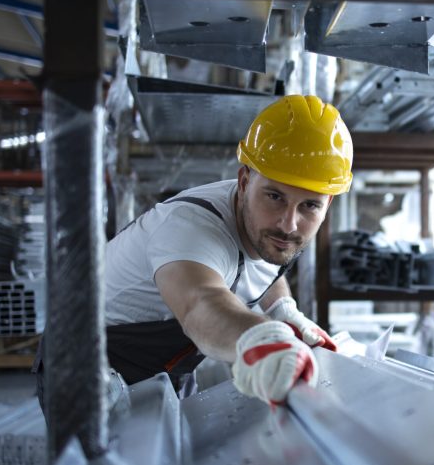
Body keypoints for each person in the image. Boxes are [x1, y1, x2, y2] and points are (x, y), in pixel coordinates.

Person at [100, 94, 353, 404]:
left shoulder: (266, 227)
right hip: (96, 370)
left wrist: (283, 310)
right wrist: (261, 337)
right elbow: (199, 304)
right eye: (275, 197)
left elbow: (267, 264)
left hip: (167, 369)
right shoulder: (190, 229)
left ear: (328, 204)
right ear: (244, 181)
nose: (289, 224)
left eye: (310, 205)